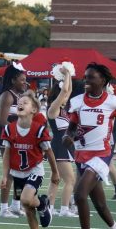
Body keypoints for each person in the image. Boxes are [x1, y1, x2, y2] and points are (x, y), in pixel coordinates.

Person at [63, 63, 116, 229]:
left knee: (79, 194)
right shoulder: (77, 102)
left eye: (91, 77)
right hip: (81, 155)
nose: (86, 81)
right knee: (99, 204)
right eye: (85, 77)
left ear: (103, 80)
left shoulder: (112, 102)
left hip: (102, 154)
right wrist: (68, 136)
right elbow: (72, 127)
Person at [0, 91, 60, 229]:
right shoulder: (9, 128)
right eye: (19, 101)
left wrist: (55, 172)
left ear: (34, 109)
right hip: (17, 173)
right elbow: (6, 154)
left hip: (34, 170)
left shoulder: (39, 130)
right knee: (27, 208)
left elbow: (49, 152)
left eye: (25, 102)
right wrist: (5, 175)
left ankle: (41, 204)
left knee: (26, 200)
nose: (21, 104)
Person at [0, 64, 28, 217]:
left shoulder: (20, 96)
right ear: (13, 80)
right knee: (9, 173)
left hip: (18, 137)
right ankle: (3, 208)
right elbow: (2, 121)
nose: (25, 83)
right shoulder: (7, 95)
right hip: (7, 138)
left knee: (20, 173)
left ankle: (15, 205)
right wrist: (18, 132)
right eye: (22, 80)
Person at [46, 67, 78, 217]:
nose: (66, 97)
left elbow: (68, 90)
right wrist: (65, 74)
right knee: (70, 180)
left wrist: (69, 75)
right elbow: (65, 91)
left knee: (56, 179)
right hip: (59, 146)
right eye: (62, 96)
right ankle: (65, 209)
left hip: (63, 145)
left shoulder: (63, 109)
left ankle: (49, 208)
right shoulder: (53, 109)